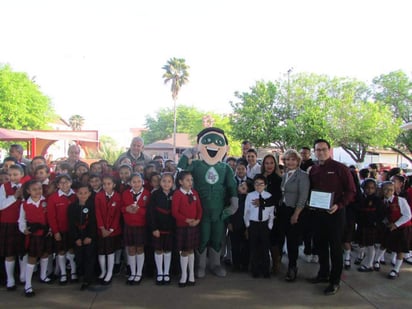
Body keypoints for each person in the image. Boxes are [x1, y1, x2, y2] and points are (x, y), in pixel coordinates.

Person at [177, 127, 238, 278]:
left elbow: (232, 187)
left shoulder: (225, 168)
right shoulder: (197, 165)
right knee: (203, 238)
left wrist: (233, 205)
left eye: (218, 142)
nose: (213, 144)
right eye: (207, 141)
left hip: (219, 212)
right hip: (200, 211)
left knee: (217, 238)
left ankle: (216, 264)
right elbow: (181, 171)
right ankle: (201, 265)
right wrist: (189, 152)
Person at [308, 139, 356, 296]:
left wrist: (339, 205)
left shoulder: (340, 168)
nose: (320, 152)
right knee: (320, 245)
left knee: (335, 248)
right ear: (314, 151)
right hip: (318, 214)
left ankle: (335, 281)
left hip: (335, 214)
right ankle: (323, 274)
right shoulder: (314, 170)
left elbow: (351, 191)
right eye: (317, 150)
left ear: (329, 150)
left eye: (323, 149)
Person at [275, 149, 310, 282]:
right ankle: (278, 264)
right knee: (281, 238)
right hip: (283, 210)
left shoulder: (303, 175)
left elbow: (303, 196)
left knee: (292, 241)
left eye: (293, 159)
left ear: (298, 161)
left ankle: (292, 267)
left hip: (295, 211)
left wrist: (296, 214)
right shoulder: (285, 174)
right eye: (288, 159)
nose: (290, 162)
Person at [18, 180, 53, 297]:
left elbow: (50, 216)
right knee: (32, 258)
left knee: (45, 254)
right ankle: (28, 284)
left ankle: (43, 276)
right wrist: (23, 229)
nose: (37, 191)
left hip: (45, 233)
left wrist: (51, 229)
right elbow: (21, 220)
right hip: (34, 234)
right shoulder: (25, 204)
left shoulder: (46, 201)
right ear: (28, 191)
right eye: (34, 189)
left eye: (39, 189)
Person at [373, 181, 411, 279]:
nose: (388, 192)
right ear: (381, 190)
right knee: (384, 244)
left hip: (402, 227)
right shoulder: (381, 201)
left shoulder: (400, 200)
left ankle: (396, 269)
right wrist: (386, 223)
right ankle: (376, 260)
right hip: (390, 226)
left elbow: (408, 215)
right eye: (385, 189)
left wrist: (396, 224)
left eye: (391, 190)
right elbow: (383, 215)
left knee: (400, 249)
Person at [171, 171, 202, 287]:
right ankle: (184, 275)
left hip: (194, 226)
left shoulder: (194, 193)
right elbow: (175, 212)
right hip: (183, 227)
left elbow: (199, 208)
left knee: (191, 250)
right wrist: (186, 220)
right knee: (184, 251)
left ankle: (191, 275)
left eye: (191, 180)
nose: (190, 182)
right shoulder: (177, 194)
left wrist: (198, 219)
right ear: (180, 182)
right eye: (187, 180)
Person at [47, 174, 77, 285]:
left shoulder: (76, 195)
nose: (64, 184)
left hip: (73, 230)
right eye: (61, 183)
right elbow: (51, 216)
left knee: (72, 250)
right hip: (60, 230)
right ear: (58, 185)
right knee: (61, 251)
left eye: (66, 182)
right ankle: (63, 273)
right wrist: (55, 231)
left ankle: (74, 272)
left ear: (71, 182)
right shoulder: (53, 198)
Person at [0, 164, 26, 290]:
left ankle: (23, 276)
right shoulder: (4, 187)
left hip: (21, 223)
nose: (12, 177)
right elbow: (1, 205)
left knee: (22, 251)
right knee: (9, 253)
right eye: (10, 175)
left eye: (15, 174)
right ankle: (10, 279)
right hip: (8, 223)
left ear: (21, 175)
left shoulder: (25, 187)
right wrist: (15, 197)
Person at [121, 173, 150, 285]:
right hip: (129, 226)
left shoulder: (147, 194)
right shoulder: (125, 194)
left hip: (141, 226)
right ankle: (132, 272)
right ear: (129, 183)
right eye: (134, 182)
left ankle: (139, 273)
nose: (136, 184)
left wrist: (140, 210)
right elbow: (121, 208)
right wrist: (126, 209)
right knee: (131, 249)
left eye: (139, 181)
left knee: (140, 249)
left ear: (143, 182)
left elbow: (149, 211)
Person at [244, 174, 275, 278]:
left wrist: (270, 226)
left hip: (264, 225)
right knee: (254, 248)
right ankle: (255, 270)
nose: (259, 186)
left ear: (265, 185)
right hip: (253, 224)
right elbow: (246, 212)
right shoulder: (250, 196)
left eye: (261, 184)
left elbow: (271, 213)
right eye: (256, 184)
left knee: (265, 248)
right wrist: (248, 225)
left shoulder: (269, 196)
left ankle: (265, 270)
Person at [68, 184, 97, 290]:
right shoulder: (72, 207)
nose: (83, 195)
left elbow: (94, 223)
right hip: (78, 236)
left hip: (89, 236)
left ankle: (87, 279)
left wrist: (90, 236)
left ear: (89, 193)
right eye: (80, 193)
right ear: (76, 194)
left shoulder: (93, 206)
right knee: (79, 257)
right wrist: (76, 238)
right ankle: (80, 273)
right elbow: (71, 224)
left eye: (85, 193)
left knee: (89, 257)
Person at [148, 173, 175, 285]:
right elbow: (151, 213)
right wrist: (154, 228)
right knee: (159, 250)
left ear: (173, 183)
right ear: (160, 182)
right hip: (158, 228)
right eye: (164, 181)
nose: (166, 183)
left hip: (170, 228)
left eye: (169, 181)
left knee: (168, 250)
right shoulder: (155, 195)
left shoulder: (175, 194)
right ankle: (160, 272)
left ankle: (166, 272)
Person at [95, 175, 122, 285]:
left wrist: (110, 229)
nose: (106, 186)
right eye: (104, 184)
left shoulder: (118, 197)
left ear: (114, 185)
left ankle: (109, 273)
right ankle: (103, 271)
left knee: (110, 251)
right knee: (101, 252)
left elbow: (117, 215)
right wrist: (102, 228)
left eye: (109, 184)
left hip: (112, 230)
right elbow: (98, 213)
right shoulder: (98, 196)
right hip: (101, 230)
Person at [228, 160, 253, 272]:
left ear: (246, 170)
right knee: (235, 245)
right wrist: (228, 222)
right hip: (234, 222)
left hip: (246, 222)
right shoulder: (231, 184)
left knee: (246, 245)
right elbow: (227, 206)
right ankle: (236, 264)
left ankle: (245, 264)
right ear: (235, 170)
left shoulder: (251, 183)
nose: (240, 171)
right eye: (238, 169)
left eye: (243, 168)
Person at [356, 179, 385, 272]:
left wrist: (376, 222)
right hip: (362, 225)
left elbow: (381, 214)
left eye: (372, 188)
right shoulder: (361, 198)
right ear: (363, 188)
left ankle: (369, 264)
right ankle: (364, 259)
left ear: (375, 189)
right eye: (367, 188)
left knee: (370, 245)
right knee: (362, 244)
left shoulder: (377, 200)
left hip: (371, 226)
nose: (369, 190)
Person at [260, 154, 282, 273]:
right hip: (258, 213)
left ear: (275, 164)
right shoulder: (258, 177)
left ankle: (276, 262)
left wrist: (263, 202)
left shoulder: (278, 179)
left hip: (272, 213)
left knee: (273, 238)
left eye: (271, 163)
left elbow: (277, 197)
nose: (269, 165)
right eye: (267, 163)